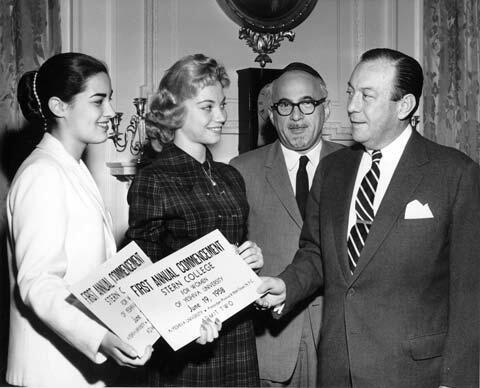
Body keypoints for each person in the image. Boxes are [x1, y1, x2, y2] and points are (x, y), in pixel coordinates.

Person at [258, 48, 479, 388]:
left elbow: (470, 293)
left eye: (367, 96)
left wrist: (458, 380)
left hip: (413, 374)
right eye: (350, 92)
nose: (351, 106)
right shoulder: (333, 170)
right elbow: (316, 252)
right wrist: (287, 284)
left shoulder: (455, 174)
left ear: (403, 106)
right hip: (336, 369)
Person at [6, 52, 153, 387]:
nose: (111, 113)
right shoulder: (42, 173)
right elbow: (38, 283)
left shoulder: (73, 168)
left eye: (110, 100)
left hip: (77, 372)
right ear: (59, 106)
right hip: (50, 373)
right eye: (98, 101)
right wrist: (99, 337)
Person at [126, 53, 262, 387]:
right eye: (207, 107)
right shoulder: (154, 179)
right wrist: (185, 323)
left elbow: (233, 250)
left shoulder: (231, 176)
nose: (222, 116)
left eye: (222, 105)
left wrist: (251, 257)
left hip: (238, 334)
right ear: (175, 113)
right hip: (187, 350)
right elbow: (141, 278)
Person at [230, 62, 343, 387]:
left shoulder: (354, 166)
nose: (296, 116)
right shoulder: (241, 171)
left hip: (340, 340)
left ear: (326, 107)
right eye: (284, 105)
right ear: (270, 113)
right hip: (271, 343)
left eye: (307, 103)